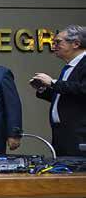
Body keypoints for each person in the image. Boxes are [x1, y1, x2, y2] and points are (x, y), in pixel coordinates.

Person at [30, 25, 86, 156]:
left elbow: (83, 90)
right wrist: (43, 88)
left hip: (80, 133)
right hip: (62, 133)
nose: (53, 46)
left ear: (76, 44)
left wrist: (53, 83)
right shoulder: (70, 66)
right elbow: (67, 97)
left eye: (58, 42)